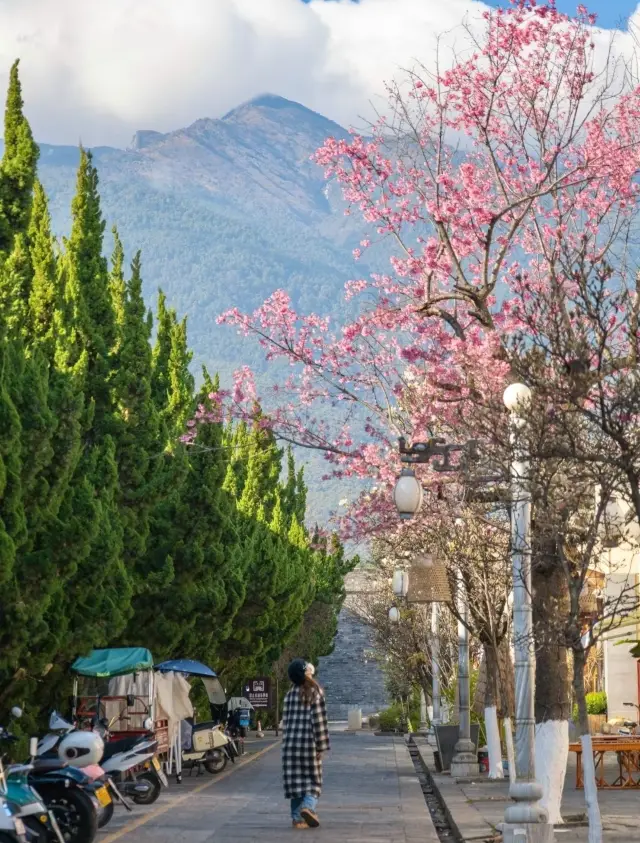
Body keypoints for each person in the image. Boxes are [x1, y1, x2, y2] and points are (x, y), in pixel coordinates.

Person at [282, 659, 330, 829]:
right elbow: (319, 721)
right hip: (308, 745)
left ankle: (297, 819)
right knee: (313, 782)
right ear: (306, 674)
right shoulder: (315, 693)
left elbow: (285, 723)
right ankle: (308, 807)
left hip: (290, 747)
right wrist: (322, 746)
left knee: (296, 784)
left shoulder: (289, 695)